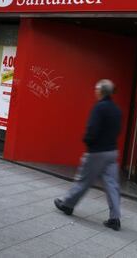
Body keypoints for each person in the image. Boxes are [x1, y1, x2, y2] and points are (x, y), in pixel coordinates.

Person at [54, 79, 122, 231]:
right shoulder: (117, 110)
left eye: (96, 89)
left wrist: (88, 142)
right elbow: (118, 130)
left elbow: (92, 128)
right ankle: (115, 218)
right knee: (112, 186)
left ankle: (67, 204)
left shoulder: (99, 108)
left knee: (83, 180)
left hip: (97, 151)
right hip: (112, 152)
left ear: (101, 91)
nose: (95, 91)